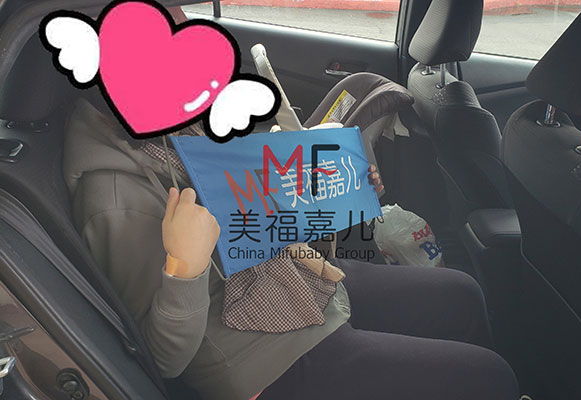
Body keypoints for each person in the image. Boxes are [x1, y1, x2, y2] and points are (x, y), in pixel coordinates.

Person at [63, 93, 519, 400]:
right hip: (259, 362)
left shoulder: (182, 129)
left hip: (292, 281)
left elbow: (259, 215)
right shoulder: (115, 200)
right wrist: (186, 266)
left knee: (461, 294)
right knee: (489, 378)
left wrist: (341, 189)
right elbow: (164, 358)